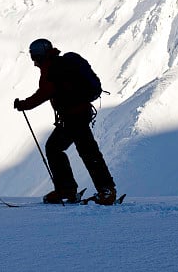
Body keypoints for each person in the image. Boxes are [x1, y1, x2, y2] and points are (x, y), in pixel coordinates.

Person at [13, 38, 117, 204]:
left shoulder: (53, 69)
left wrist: (23, 104)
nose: (34, 62)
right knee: (73, 150)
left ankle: (101, 191)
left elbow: (44, 93)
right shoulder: (59, 64)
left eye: (35, 58)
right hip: (77, 115)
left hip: (74, 117)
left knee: (81, 151)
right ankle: (87, 189)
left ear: (40, 56)